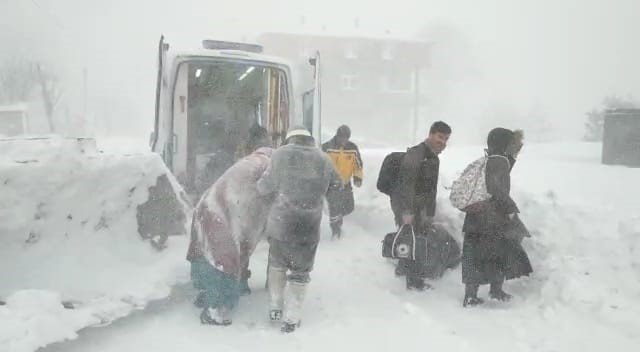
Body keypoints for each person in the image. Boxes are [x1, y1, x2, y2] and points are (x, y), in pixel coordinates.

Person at [257, 125, 341, 333]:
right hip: (308, 226)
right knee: (300, 272)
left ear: (290, 139)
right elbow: (337, 184)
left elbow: (263, 187)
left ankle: (275, 307)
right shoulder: (324, 159)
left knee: (277, 264)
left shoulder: (280, 155)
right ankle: (291, 318)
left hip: (281, 223)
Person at [186, 134, 273, 326]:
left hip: (207, 206)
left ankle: (207, 293)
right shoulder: (267, 165)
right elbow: (266, 194)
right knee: (224, 259)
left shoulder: (250, 161)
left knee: (205, 253)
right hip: (220, 213)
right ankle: (213, 310)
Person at [461, 128, 533, 307]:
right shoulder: (498, 162)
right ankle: (492, 291)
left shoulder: (491, 159)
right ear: (503, 144)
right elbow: (495, 186)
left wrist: (513, 155)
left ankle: (474, 294)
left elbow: (499, 174)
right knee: (499, 252)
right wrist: (510, 208)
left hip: (477, 218)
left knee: (476, 256)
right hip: (491, 218)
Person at [390, 121, 452, 290]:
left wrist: (429, 211)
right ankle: (414, 282)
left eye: (446, 139)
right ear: (431, 135)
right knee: (415, 241)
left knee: (411, 239)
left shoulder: (430, 156)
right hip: (410, 206)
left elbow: (428, 187)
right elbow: (406, 184)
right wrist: (408, 211)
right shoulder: (418, 154)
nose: (443, 142)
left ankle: (403, 269)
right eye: (440, 137)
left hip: (418, 207)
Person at [322, 125, 363, 239]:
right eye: (342, 138)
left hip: (345, 183)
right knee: (335, 207)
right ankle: (336, 231)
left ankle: (338, 218)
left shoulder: (352, 148)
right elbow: (320, 164)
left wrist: (357, 177)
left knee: (349, 207)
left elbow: (358, 165)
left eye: (346, 138)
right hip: (331, 184)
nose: (344, 141)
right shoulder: (327, 147)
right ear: (337, 136)